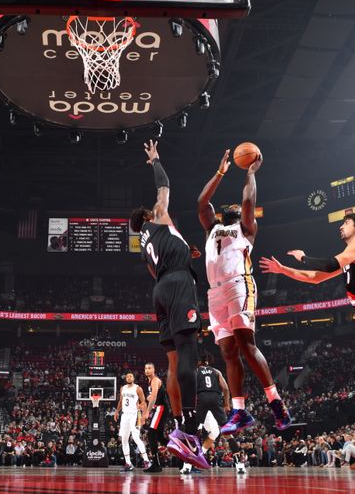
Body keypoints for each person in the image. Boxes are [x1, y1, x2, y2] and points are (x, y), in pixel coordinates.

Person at [259, 212, 355, 471]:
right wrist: (283, 270)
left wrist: (304, 257)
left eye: (346, 223)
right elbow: (315, 278)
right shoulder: (350, 255)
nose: (341, 227)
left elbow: (328, 265)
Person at [197, 148, 292, 433]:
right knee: (227, 351)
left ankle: (276, 403)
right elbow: (202, 203)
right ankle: (239, 411)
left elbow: (248, 200)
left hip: (240, 285)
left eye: (236, 209)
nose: (234, 208)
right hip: (215, 293)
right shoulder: (212, 228)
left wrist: (250, 173)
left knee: (246, 345)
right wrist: (220, 172)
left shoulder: (246, 229)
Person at [129, 139, 208, 469]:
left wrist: (182, 252)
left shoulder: (145, 242)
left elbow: (157, 267)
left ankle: (176, 425)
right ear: (148, 215)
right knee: (189, 353)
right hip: (177, 285)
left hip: (160, 289)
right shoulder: (159, 215)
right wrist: (155, 160)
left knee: (174, 365)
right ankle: (190, 430)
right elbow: (165, 185)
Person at [180, 352, 240, 474]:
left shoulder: (195, 372)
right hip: (216, 399)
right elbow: (226, 388)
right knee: (225, 431)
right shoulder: (216, 371)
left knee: (193, 431)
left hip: (201, 400)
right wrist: (227, 404)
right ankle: (240, 464)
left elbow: (189, 390)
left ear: (198, 362)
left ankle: (188, 464)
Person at [114, 372, 149, 471]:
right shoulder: (122, 388)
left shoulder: (138, 388)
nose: (128, 377)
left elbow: (143, 402)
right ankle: (128, 463)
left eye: (130, 376)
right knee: (124, 440)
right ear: (125, 378)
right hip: (125, 415)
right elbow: (121, 401)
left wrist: (143, 415)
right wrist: (117, 411)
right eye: (127, 376)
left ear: (133, 378)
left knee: (135, 438)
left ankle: (146, 460)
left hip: (135, 415)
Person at [142, 362, 169, 473]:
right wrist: (150, 398)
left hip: (161, 408)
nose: (147, 370)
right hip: (159, 408)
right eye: (146, 368)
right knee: (160, 437)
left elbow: (153, 398)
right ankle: (181, 454)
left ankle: (156, 465)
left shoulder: (155, 380)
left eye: (149, 368)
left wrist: (147, 411)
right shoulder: (150, 382)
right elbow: (152, 397)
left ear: (154, 370)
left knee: (151, 433)